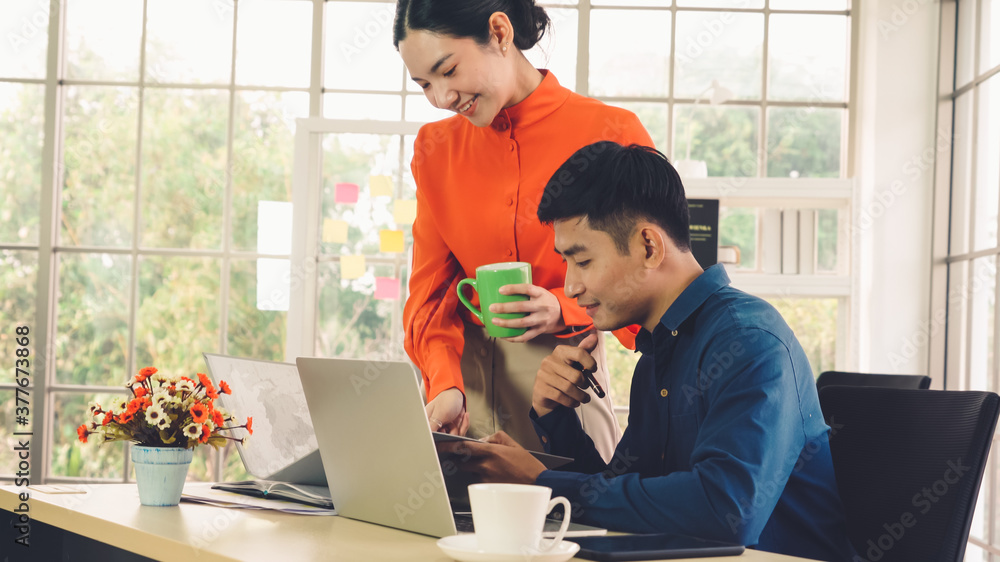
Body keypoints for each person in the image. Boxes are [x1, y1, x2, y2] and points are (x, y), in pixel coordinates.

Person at [438, 142, 857, 562]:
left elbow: (726, 510)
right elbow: (629, 491)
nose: (570, 287)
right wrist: (556, 418)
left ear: (649, 247)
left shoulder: (748, 341)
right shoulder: (659, 352)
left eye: (582, 261)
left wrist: (543, 483)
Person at [393, 0, 654, 459]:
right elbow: (431, 297)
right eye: (424, 85)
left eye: (448, 70)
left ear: (498, 32)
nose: (441, 98)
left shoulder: (611, 132)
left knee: (579, 522)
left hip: (566, 383)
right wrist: (444, 384)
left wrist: (566, 308)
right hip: (460, 399)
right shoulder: (435, 149)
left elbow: (654, 285)